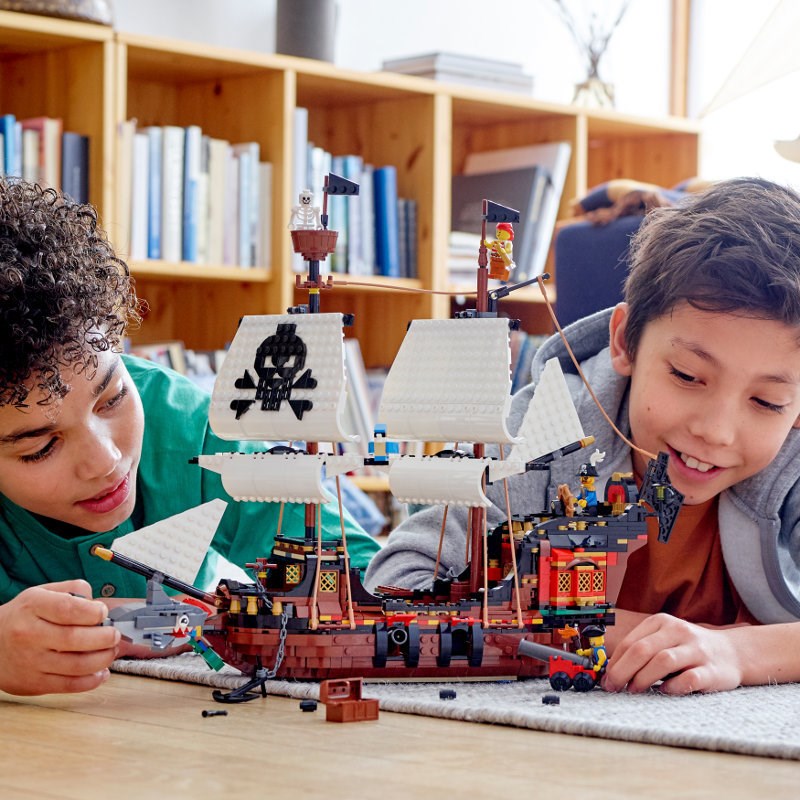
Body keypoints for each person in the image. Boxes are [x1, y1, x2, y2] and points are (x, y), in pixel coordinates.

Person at [365, 177, 800, 696]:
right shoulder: (544, 433)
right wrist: (638, 636)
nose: (716, 431)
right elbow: (396, 582)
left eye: (767, 401)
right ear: (624, 342)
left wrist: (738, 652)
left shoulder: (791, 465)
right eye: (687, 376)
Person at [0, 179, 379, 696]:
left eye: (112, 398)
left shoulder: (191, 427)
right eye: (39, 447)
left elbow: (363, 581)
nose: (105, 461)